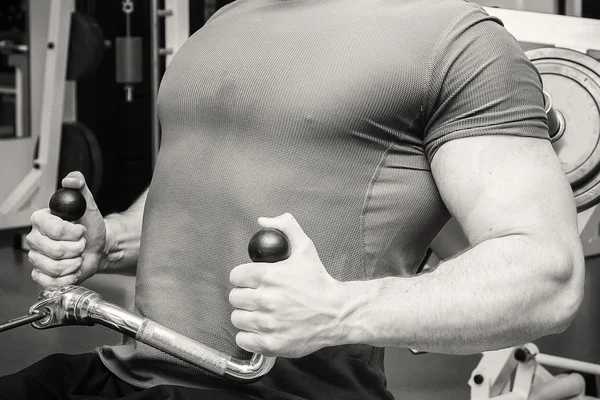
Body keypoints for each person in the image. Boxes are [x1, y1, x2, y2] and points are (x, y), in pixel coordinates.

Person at [0, 0, 588, 399]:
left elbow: (546, 274)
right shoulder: (222, 23)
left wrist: (338, 311)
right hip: (124, 373)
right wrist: (113, 240)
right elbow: (203, 181)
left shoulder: (459, 41)